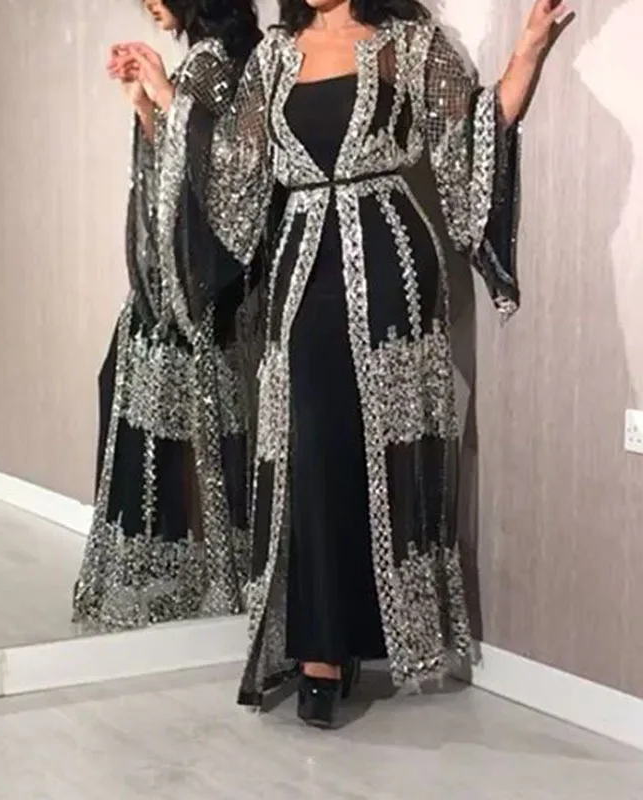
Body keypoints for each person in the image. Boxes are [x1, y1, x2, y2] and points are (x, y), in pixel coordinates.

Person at [124, 0, 572, 728]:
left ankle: (370, 636)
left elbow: (470, 136)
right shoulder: (274, 57)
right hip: (302, 266)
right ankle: (319, 648)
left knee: (377, 449)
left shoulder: (410, 45)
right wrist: (165, 99)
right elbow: (231, 171)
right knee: (309, 446)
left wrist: (526, 53)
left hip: (393, 265)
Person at [72, 0, 263, 633]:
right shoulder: (207, 61)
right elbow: (175, 174)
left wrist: (166, 96)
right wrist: (146, 105)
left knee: (199, 429)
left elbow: (232, 177)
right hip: (173, 292)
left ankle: (192, 578)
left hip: (207, 295)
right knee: (141, 401)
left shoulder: (228, 63)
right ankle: (179, 576)